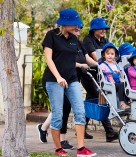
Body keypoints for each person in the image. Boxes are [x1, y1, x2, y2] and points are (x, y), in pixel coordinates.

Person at [42, 8, 96, 156]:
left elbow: (82, 58)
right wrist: (59, 77)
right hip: (54, 80)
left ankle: (81, 149)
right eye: (74, 25)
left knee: (80, 111)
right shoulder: (51, 36)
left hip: (72, 80)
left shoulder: (74, 40)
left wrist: (101, 65)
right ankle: (59, 149)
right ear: (64, 24)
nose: (76, 27)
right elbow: (48, 59)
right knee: (58, 114)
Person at [82, 17, 118, 141]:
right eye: (100, 28)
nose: (103, 30)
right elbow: (96, 58)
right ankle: (109, 133)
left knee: (90, 101)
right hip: (89, 76)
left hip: (101, 76)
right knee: (100, 99)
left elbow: (111, 54)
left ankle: (81, 128)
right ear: (94, 29)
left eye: (104, 28)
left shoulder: (104, 40)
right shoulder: (88, 40)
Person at [99, 42, 130, 109]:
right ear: (104, 55)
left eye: (112, 54)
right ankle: (121, 103)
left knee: (126, 84)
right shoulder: (103, 65)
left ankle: (128, 101)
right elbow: (100, 74)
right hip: (109, 84)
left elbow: (119, 74)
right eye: (108, 54)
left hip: (116, 82)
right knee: (121, 85)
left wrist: (119, 73)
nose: (110, 56)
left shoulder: (115, 64)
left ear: (115, 55)